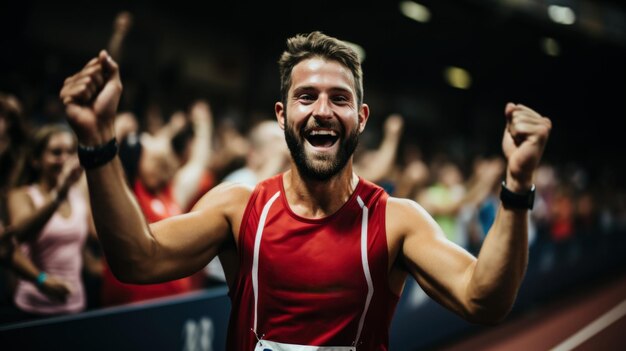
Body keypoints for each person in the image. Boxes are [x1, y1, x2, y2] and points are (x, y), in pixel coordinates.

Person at [59, 31, 551, 350]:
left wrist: (518, 184)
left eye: (339, 99)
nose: (321, 110)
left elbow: (484, 301)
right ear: (282, 115)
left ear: (360, 119)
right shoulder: (240, 207)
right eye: (305, 96)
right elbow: (136, 259)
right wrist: (98, 144)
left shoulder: (395, 220)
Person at [5, 124, 101, 320]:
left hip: (75, 305)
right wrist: (59, 194)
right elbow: (20, 234)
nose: (64, 159)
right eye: (56, 153)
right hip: (33, 307)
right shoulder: (22, 195)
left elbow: (83, 241)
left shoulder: (78, 195)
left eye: (69, 152)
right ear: (35, 160)